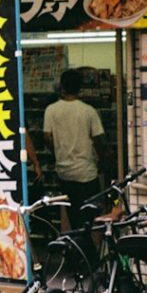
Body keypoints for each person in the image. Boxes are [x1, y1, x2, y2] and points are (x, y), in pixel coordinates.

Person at [43, 68, 107, 230]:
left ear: (62, 87)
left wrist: (58, 151)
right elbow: (99, 140)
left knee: (73, 216)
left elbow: (47, 137)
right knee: (92, 217)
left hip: (64, 172)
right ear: (80, 88)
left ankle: (76, 248)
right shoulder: (88, 111)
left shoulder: (51, 110)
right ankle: (89, 250)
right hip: (87, 173)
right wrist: (103, 161)